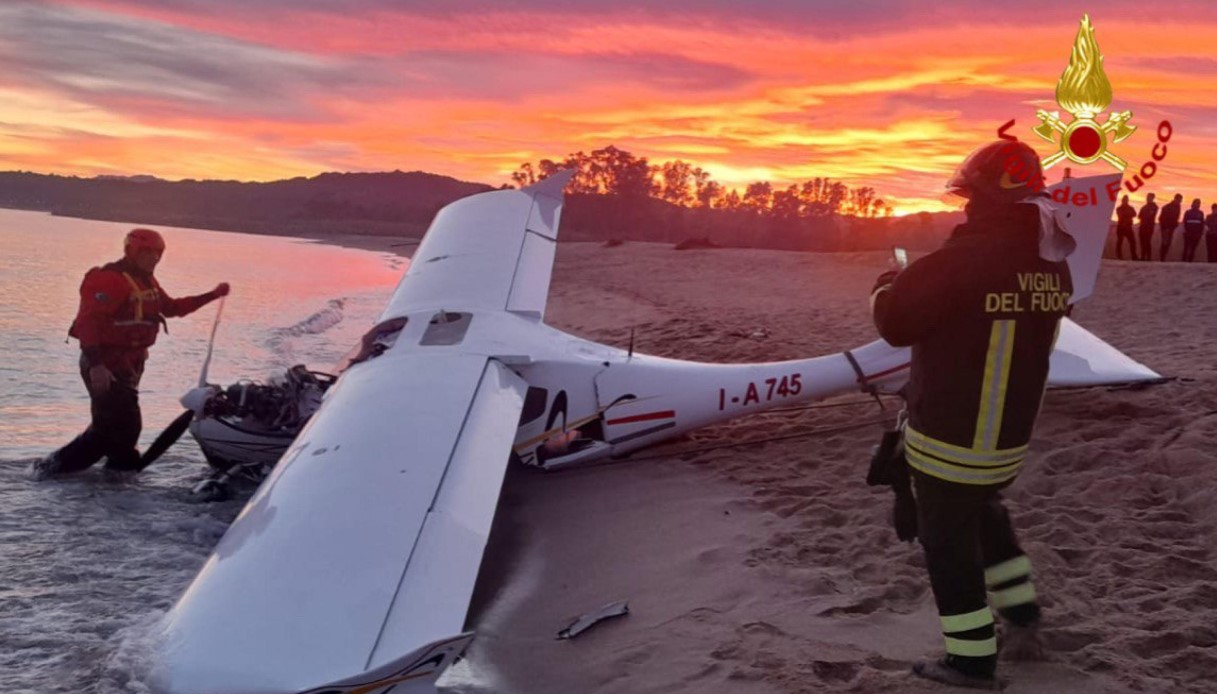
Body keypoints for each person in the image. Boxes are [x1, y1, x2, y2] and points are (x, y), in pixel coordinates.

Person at [870, 140, 1069, 689]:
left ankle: (971, 661)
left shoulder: (961, 260)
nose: (965, 208)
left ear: (983, 200)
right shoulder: (1053, 265)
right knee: (988, 522)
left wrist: (888, 283)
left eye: (970, 198)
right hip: (1005, 440)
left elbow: (895, 323)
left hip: (951, 439)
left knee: (949, 550)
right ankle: (1024, 620)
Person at [34, 228, 230, 478]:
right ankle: (47, 472)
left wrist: (212, 295)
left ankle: (113, 485)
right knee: (114, 430)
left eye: (158, 254)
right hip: (104, 364)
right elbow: (89, 323)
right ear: (131, 251)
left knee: (117, 430)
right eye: (148, 253)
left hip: (128, 366)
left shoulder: (146, 281)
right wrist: (96, 365)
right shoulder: (109, 279)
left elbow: (172, 308)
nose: (154, 258)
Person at [1158, 193, 1183, 261]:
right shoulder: (1167, 207)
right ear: (1175, 199)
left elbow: (1176, 217)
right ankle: (1162, 258)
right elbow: (1161, 218)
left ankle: (1163, 257)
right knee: (1165, 242)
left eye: (1180, 200)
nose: (1180, 202)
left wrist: (1175, 224)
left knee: (1168, 243)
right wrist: (1165, 227)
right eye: (1179, 200)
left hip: (1171, 228)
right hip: (1165, 227)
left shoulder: (1178, 207)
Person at [1114, 195, 1137, 260]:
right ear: (1122, 200)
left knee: (1132, 242)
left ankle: (1134, 256)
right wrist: (1127, 214)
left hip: (1128, 227)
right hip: (1121, 227)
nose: (1125, 201)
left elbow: (1134, 214)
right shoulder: (1119, 208)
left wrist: (1126, 214)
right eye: (1124, 199)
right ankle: (1119, 256)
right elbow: (1121, 215)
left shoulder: (1130, 208)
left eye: (1126, 199)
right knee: (1120, 241)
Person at [1137, 193, 1158, 261]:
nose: (1148, 198)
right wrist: (1145, 216)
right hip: (1142, 226)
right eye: (1147, 197)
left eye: (1149, 197)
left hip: (1149, 227)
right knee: (1142, 242)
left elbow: (1150, 215)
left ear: (1152, 198)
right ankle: (1143, 256)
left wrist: (1145, 216)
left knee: (1147, 241)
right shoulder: (1144, 207)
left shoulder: (1154, 207)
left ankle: (1148, 257)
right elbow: (1139, 216)